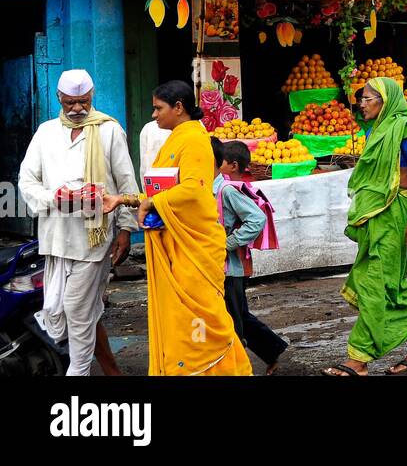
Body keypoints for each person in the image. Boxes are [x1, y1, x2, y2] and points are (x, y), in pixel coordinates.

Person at [106, 81, 251, 375]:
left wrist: (151, 203)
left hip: (194, 247)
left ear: (179, 107)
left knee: (201, 318)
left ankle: (211, 369)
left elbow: (194, 191)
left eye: (158, 108)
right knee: (183, 316)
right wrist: (128, 199)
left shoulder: (195, 139)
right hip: (178, 244)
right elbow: (164, 188)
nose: (154, 114)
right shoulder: (176, 138)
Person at [17, 69, 138, 376]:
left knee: (75, 308)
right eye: (70, 102)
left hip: (94, 239)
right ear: (59, 98)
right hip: (56, 237)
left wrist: (125, 229)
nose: (76, 109)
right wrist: (53, 198)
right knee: (62, 312)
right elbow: (27, 181)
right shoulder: (45, 132)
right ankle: (111, 371)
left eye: (82, 102)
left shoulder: (109, 130)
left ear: (92, 96)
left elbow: (125, 183)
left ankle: (78, 372)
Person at [324, 78, 407, 375]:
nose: (362, 103)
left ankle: (358, 359)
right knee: (392, 286)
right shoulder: (375, 130)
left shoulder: (405, 130)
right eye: (361, 98)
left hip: (398, 216)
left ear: (385, 101)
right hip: (378, 219)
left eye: (368, 98)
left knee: (376, 285)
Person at [214, 140, 288, 374]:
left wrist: (227, 243)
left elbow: (256, 219)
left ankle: (237, 367)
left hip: (230, 269)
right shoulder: (213, 188)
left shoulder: (225, 190)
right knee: (239, 316)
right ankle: (272, 350)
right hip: (223, 268)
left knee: (234, 321)